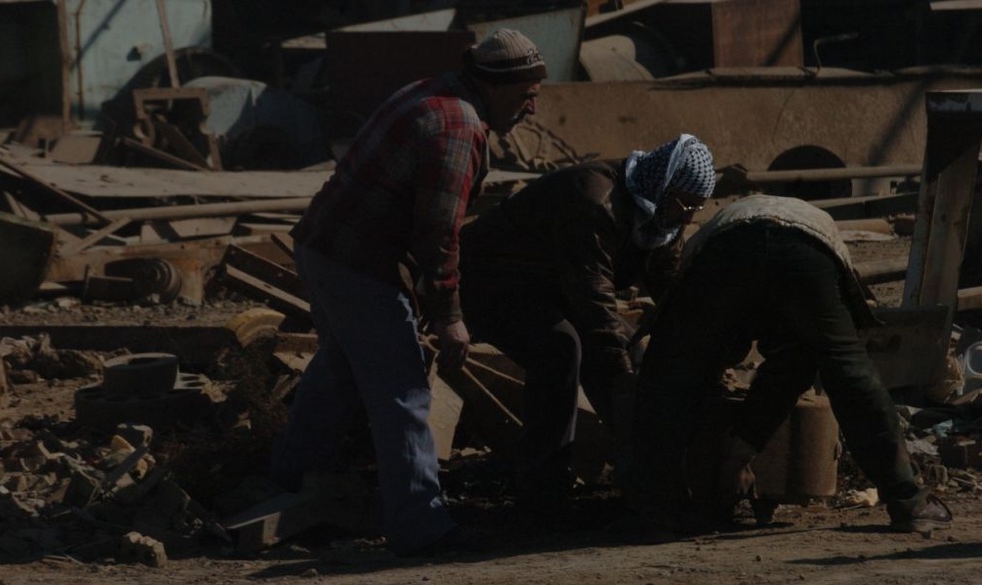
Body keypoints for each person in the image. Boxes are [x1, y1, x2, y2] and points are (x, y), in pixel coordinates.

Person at [271, 29, 547, 556]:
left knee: (341, 366)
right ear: (495, 84)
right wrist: (449, 316)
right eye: (525, 94)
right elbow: (437, 234)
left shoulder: (436, 90)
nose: (532, 107)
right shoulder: (458, 127)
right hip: (354, 262)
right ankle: (421, 527)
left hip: (323, 245)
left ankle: (288, 480)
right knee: (404, 392)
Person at [626, 193, 953, 534]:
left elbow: (672, 370)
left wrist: (733, 458)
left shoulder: (717, 293)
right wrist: (738, 458)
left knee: (673, 371)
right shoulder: (794, 331)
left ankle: (658, 505)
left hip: (732, 249)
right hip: (804, 250)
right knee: (848, 369)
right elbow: (784, 377)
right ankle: (908, 500)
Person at [459, 134, 716, 514]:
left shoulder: (662, 215)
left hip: (556, 284)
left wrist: (700, 351)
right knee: (560, 349)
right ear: (664, 185)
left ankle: (651, 474)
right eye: (686, 203)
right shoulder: (595, 203)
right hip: (494, 280)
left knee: (634, 351)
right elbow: (593, 301)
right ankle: (542, 493)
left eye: (698, 206)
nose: (690, 215)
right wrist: (623, 380)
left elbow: (670, 290)